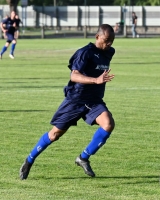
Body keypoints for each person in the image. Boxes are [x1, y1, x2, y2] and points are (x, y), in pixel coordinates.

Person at [19, 24, 116, 180]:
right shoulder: (84, 53)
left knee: (108, 124)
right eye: (106, 40)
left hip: (93, 101)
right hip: (75, 99)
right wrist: (95, 80)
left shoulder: (110, 52)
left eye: (112, 40)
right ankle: (29, 159)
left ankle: (83, 158)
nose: (109, 44)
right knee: (54, 135)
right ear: (97, 37)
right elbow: (74, 76)